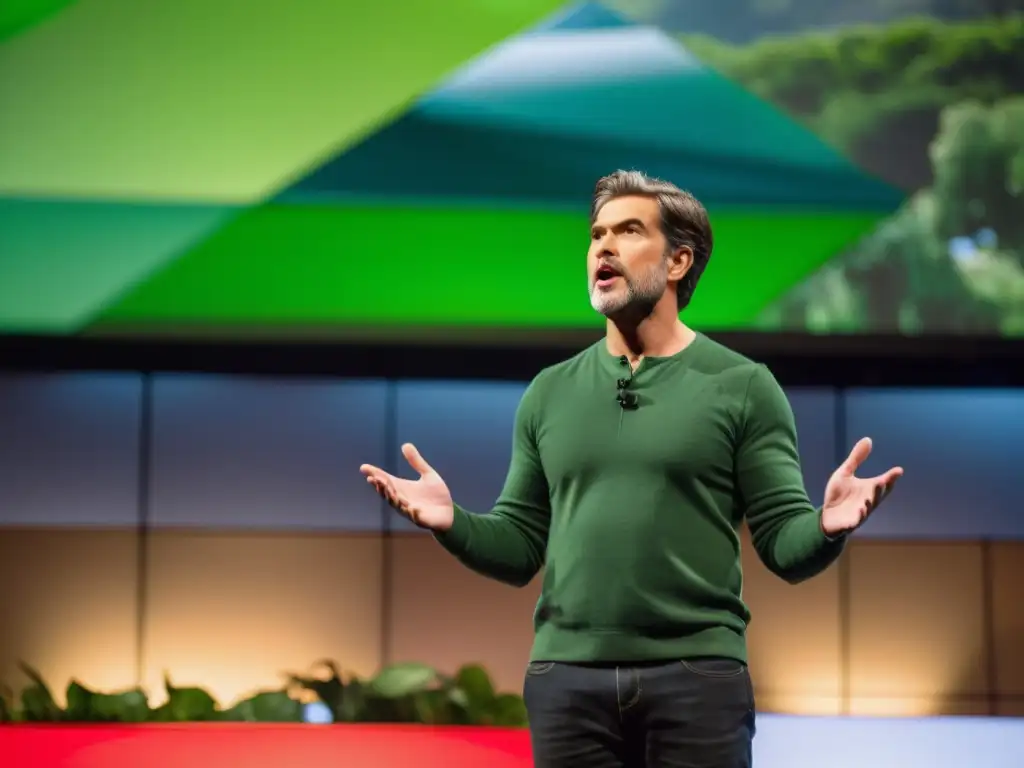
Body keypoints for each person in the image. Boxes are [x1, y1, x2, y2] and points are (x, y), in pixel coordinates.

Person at [359, 169, 903, 768]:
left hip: (697, 679)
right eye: (597, 234)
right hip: (566, 682)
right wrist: (452, 522)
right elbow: (518, 549)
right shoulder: (549, 392)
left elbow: (782, 543)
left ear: (677, 262)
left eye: (628, 231)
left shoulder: (743, 386)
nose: (603, 247)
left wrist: (826, 526)